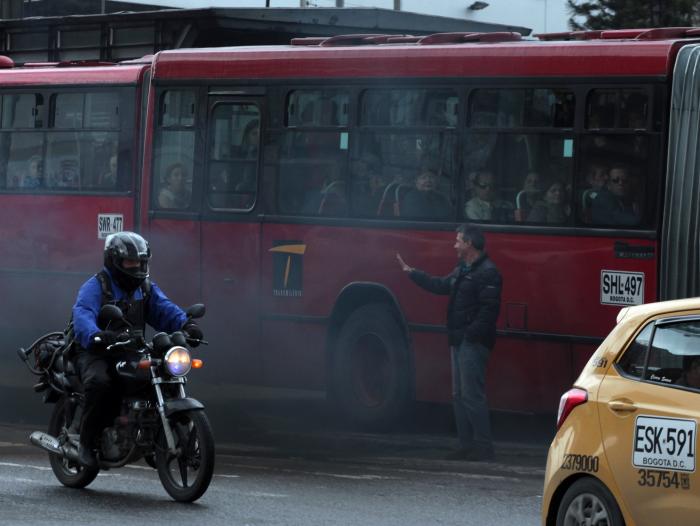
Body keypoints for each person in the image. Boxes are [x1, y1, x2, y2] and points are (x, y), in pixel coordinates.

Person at [71, 231, 204, 469]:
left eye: (141, 262)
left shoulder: (145, 288)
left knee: (160, 372)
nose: (137, 267)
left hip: (129, 348)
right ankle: (86, 444)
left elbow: (164, 309)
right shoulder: (96, 286)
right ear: (114, 261)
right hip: (95, 350)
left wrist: (186, 325)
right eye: (130, 262)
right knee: (100, 383)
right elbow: (82, 315)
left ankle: (153, 434)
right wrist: (96, 335)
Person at [396, 224, 502, 461]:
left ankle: (484, 447)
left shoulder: (488, 272)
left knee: (471, 395)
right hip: (459, 339)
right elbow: (441, 285)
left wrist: (470, 335)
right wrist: (413, 273)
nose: (454, 245)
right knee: (459, 394)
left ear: (469, 244)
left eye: (458, 241)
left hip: (471, 342)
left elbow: (489, 310)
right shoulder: (463, 269)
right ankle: (466, 445)